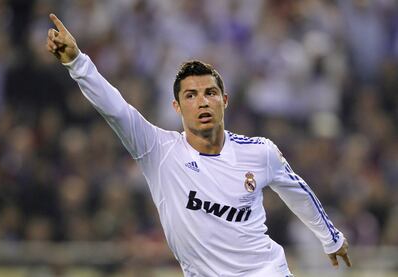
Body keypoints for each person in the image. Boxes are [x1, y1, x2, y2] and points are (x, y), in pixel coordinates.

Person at [45, 13, 351, 277]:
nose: (202, 101)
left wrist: (330, 237)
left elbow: (296, 191)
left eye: (210, 93)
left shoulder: (260, 151)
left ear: (225, 101)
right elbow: (116, 109)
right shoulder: (158, 151)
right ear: (177, 107)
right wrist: (77, 62)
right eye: (191, 95)